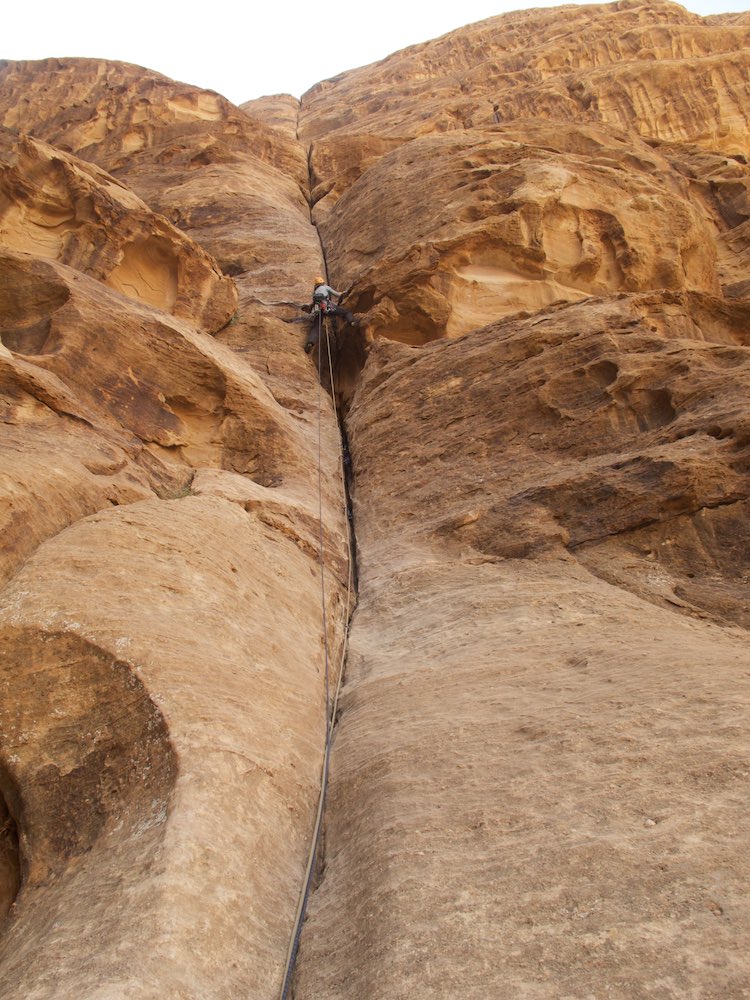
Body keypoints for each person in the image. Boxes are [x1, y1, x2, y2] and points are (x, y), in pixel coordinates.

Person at [304, 277, 358, 353]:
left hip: (318, 310)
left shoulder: (315, 292)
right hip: (328, 307)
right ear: (323, 282)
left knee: (316, 327)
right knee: (345, 312)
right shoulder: (325, 287)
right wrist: (348, 291)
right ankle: (352, 321)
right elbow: (338, 295)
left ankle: (310, 343)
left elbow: (312, 305)